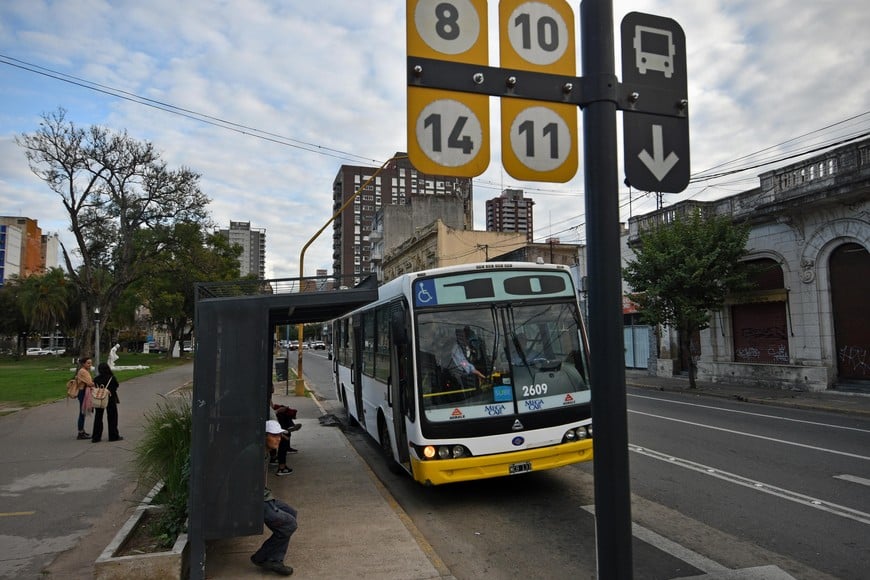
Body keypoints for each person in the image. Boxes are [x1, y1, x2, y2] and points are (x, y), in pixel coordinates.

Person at [251, 420, 298, 576]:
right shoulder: (254, 454)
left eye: (279, 435)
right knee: (289, 524)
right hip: (254, 499)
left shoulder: (265, 451)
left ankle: (274, 558)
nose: (278, 438)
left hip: (263, 495)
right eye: (274, 435)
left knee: (291, 513)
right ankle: (263, 557)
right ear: (264, 436)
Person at [91, 362, 122, 442]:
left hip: (99, 399)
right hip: (110, 399)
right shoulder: (111, 378)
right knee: (112, 417)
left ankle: (96, 436)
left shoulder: (96, 379)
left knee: (98, 417)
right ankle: (113, 435)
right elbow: (116, 386)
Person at [74, 357, 95, 440]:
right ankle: (80, 432)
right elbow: (90, 383)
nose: (90, 365)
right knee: (82, 412)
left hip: (84, 392)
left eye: (91, 363)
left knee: (83, 412)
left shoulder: (85, 371)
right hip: (83, 393)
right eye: (88, 363)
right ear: (83, 364)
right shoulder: (83, 371)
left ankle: (82, 430)